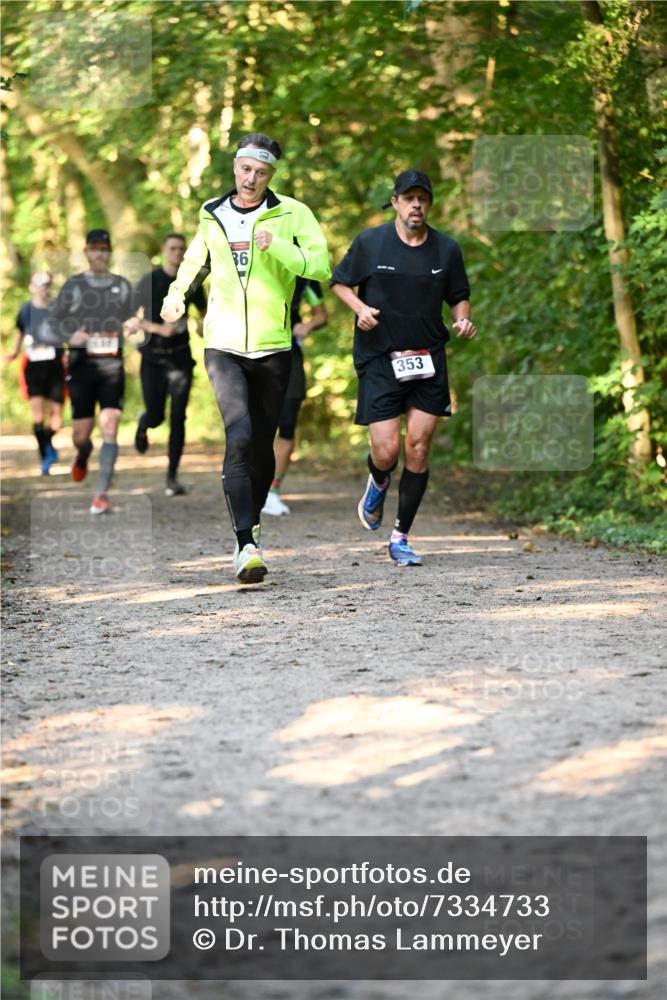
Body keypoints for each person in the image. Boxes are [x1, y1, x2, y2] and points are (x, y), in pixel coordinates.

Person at [161, 132, 330, 583]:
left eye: (260, 172)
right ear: (234, 168)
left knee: (261, 446)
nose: (251, 178)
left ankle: (251, 525)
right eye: (245, 169)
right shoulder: (212, 213)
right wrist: (177, 296)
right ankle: (245, 543)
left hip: (274, 346)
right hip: (224, 344)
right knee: (238, 434)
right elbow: (197, 260)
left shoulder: (294, 213)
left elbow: (319, 267)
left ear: (271, 174)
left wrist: (277, 245)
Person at [331, 169, 476, 566]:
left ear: (429, 204)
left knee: (418, 447)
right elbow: (340, 282)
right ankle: (378, 480)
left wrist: (462, 319)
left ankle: (400, 536)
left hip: (427, 357)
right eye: (409, 198)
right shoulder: (370, 243)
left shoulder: (446, 250)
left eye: (423, 199)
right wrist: (360, 309)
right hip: (380, 357)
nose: (416, 205)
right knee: (387, 449)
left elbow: (459, 296)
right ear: (394, 202)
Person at [48, 228, 137, 514]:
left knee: (110, 424)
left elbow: (131, 317)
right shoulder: (73, 286)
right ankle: (83, 453)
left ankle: (101, 494)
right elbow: (53, 321)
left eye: (104, 248)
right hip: (82, 368)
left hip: (112, 366)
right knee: (81, 434)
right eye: (95, 248)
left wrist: (134, 324)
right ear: (86, 252)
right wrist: (71, 336)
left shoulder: (122, 286)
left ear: (109, 252)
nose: (100, 253)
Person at [132, 233, 207, 496]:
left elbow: (205, 315)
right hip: (152, 359)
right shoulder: (149, 280)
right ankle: (144, 422)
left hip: (181, 358)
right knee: (157, 416)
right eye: (172, 248)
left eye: (181, 249)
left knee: (178, 418)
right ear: (163, 250)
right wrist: (158, 329)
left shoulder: (192, 282)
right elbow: (129, 318)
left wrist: (201, 327)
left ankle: (172, 477)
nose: (177, 252)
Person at [262, 276, 327, 516]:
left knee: (287, 423)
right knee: (259, 423)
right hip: (257, 351)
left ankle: (272, 492)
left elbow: (321, 314)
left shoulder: (306, 277)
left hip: (291, 355)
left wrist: (308, 326)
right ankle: (251, 485)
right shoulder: (258, 260)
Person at [5, 271, 65, 475]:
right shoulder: (25, 310)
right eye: (39, 283)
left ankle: (48, 444)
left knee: (57, 419)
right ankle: (46, 455)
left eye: (47, 283)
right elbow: (19, 333)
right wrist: (13, 352)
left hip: (55, 365)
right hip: (33, 367)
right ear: (31, 286)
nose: (43, 287)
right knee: (38, 415)